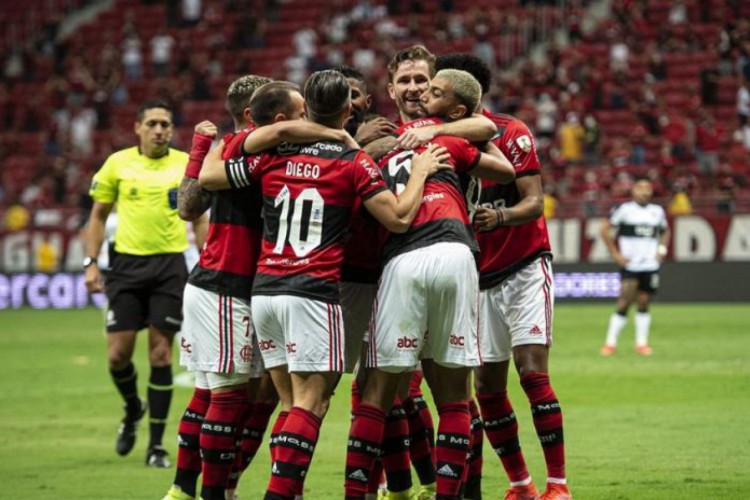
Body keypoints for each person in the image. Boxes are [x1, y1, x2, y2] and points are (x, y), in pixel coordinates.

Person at [200, 69, 449, 499]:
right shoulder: (352, 162)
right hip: (313, 292)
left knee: (290, 404)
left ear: (305, 109)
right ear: (348, 109)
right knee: (311, 405)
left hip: (265, 292)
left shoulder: (272, 155)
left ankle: (276, 491)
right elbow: (399, 216)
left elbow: (211, 175)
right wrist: (421, 172)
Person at [343, 69, 515, 500]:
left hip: (401, 258)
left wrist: (359, 143)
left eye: (432, 87)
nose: (422, 92)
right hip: (457, 251)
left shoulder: (377, 147)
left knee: (376, 393)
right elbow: (506, 171)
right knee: (456, 398)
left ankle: (358, 493)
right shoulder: (446, 140)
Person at [436, 52, 572, 500]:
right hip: (477, 273)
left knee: (532, 373)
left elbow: (534, 202)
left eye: (439, 87)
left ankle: (558, 485)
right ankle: (521, 485)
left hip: (524, 264)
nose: (426, 94)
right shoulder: (435, 142)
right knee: (487, 388)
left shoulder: (511, 133)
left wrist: (501, 216)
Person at [164, 74, 272, 500]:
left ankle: (182, 490)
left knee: (211, 392)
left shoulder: (227, 153)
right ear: (251, 114)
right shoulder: (240, 152)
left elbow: (188, 206)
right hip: (227, 285)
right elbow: (188, 209)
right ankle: (212, 494)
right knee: (228, 397)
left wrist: (198, 152)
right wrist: (198, 152)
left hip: (228, 285)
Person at [84, 100, 206, 468]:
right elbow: (97, 216)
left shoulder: (185, 164)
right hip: (125, 266)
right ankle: (133, 405)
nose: (158, 130)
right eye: (151, 123)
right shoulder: (117, 164)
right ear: (137, 127)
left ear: (172, 129)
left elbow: (198, 217)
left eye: (165, 124)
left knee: (160, 354)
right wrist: (91, 263)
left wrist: (205, 259)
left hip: (169, 267)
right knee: (118, 355)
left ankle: (156, 446)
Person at [600, 177, 670, 356]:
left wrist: (661, 249)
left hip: (650, 265)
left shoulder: (657, 211)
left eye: (648, 188)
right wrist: (616, 254)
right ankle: (610, 343)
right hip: (631, 265)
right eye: (640, 187)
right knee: (624, 301)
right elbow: (604, 229)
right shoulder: (624, 210)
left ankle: (641, 344)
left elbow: (665, 231)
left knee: (644, 302)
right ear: (633, 191)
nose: (645, 191)